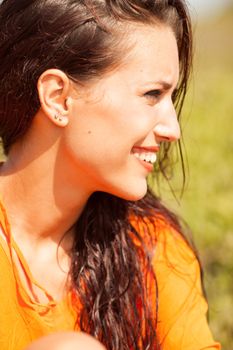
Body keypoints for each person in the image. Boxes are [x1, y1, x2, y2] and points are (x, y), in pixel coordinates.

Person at [0, 0, 221, 349]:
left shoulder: (151, 246)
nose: (172, 129)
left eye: (171, 97)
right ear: (58, 98)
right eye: (152, 94)